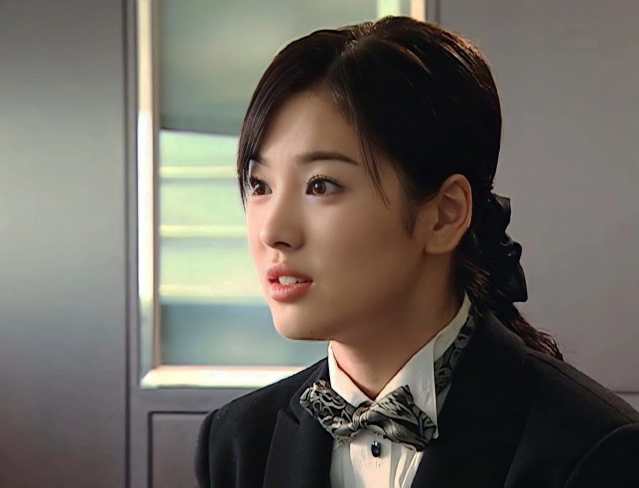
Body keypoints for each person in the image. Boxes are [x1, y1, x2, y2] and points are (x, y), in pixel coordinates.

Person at [195, 16, 639, 488]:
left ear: (445, 215)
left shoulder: (592, 450)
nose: (272, 232)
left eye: (321, 185)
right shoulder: (239, 442)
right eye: (260, 185)